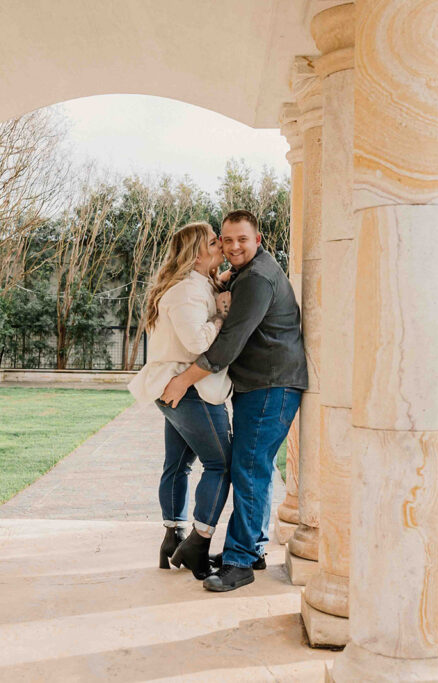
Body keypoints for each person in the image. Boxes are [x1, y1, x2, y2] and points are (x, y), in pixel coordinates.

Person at [161, 209, 307, 592]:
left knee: (247, 468)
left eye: (243, 239)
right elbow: (226, 285)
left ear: (258, 240)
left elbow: (227, 344)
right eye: (227, 240)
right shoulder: (248, 272)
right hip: (261, 384)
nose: (235, 246)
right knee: (252, 467)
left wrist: (182, 381)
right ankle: (252, 549)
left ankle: (240, 561)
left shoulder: (257, 278)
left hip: (270, 385)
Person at [128, 222, 234, 580]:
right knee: (220, 464)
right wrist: (221, 315)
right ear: (196, 252)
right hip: (190, 390)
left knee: (178, 464)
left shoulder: (196, 284)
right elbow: (199, 343)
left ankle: (172, 537)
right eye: (213, 241)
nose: (220, 244)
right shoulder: (188, 290)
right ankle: (197, 544)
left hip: (169, 387)